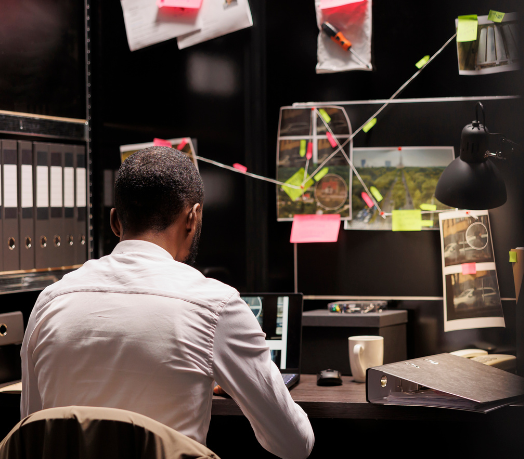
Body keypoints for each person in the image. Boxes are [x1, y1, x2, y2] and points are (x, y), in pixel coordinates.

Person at [20, 147, 314, 459]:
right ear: (192, 217)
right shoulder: (215, 306)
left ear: (115, 222)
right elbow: (294, 444)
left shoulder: (50, 301)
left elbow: (30, 429)